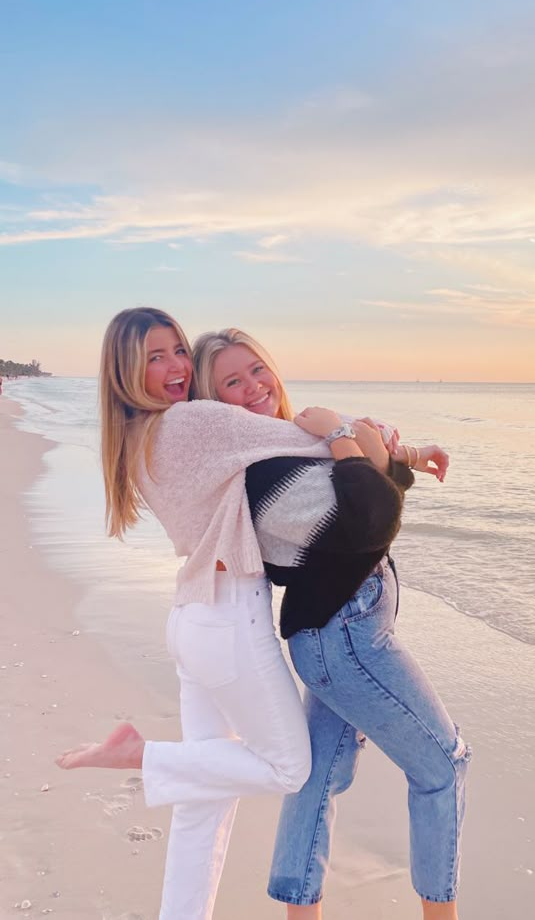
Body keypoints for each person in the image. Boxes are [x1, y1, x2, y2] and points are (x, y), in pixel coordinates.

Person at [55, 307, 406, 920]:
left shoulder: (141, 437)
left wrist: (389, 443)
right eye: (153, 358)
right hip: (228, 622)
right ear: (124, 372)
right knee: (290, 766)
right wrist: (343, 423)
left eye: (177, 351)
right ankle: (139, 755)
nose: (173, 368)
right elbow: (314, 440)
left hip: (194, 620)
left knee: (203, 804)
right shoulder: (193, 422)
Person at [193, 328, 468, 920]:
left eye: (256, 369)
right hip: (345, 640)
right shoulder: (260, 469)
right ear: (213, 401)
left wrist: (400, 452)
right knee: (444, 765)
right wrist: (346, 434)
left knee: (318, 782)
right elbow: (370, 519)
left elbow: (372, 479)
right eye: (231, 382)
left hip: (343, 632)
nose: (253, 387)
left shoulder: (286, 441)